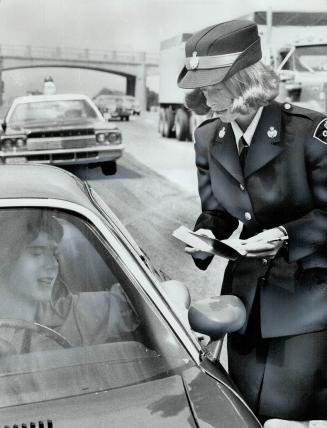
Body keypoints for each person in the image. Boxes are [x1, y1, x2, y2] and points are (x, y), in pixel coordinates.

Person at [177, 20, 327, 427]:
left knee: (288, 419)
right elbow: (219, 213)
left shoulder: (309, 133)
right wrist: (207, 232)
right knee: (246, 414)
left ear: (244, 81)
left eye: (214, 85)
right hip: (246, 303)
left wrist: (285, 235)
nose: (205, 98)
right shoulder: (208, 137)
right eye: (202, 87)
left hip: (306, 301)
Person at [0, 209, 139, 353]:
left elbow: (134, 300)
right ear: (5, 260)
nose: (52, 264)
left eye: (54, 254)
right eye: (37, 253)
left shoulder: (67, 315)